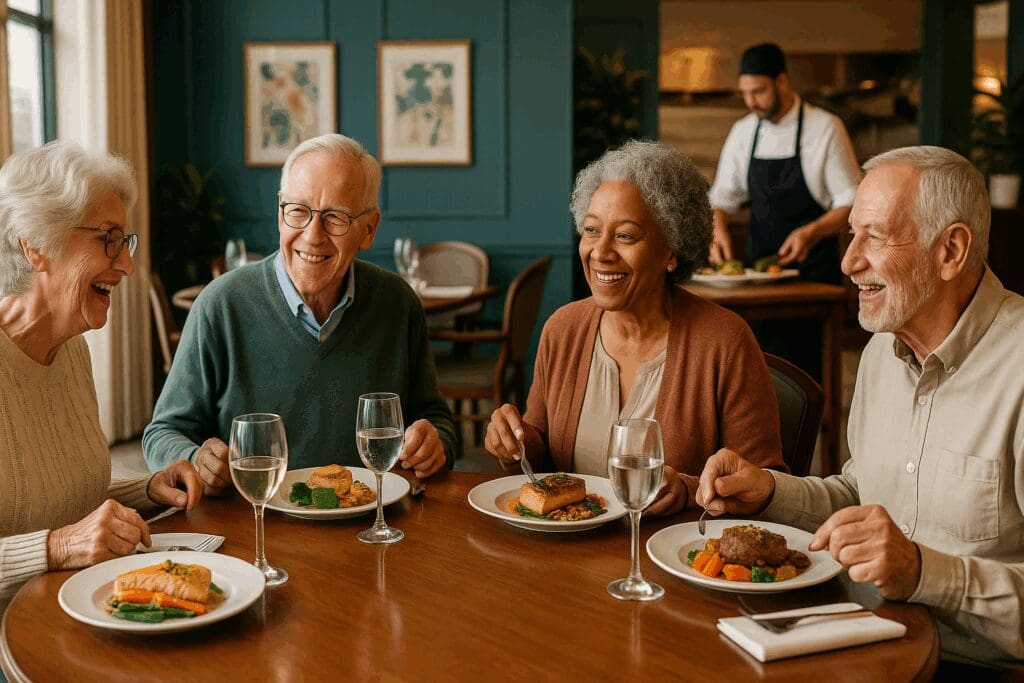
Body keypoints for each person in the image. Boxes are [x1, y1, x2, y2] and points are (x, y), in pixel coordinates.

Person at [697, 146, 1024, 670]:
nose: (849, 261)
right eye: (852, 234)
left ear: (951, 251)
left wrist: (923, 573)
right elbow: (862, 493)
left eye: (875, 236)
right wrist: (768, 493)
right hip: (865, 640)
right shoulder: (881, 351)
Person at [484, 141, 786, 515]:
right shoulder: (563, 329)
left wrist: (687, 490)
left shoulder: (725, 341)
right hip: (564, 559)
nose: (600, 252)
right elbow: (541, 449)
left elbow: (760, 487)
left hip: (670, 559)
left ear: (671, 251)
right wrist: (514, 442)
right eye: (592, 230)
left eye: (625, 235)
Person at [143, 134, 457, 494]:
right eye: (298, 211)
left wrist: (437, 446)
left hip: (370, 526)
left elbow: (438, 422)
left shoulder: (398, 304)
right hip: (255, 528)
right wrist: (195, 456)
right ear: (280, 214)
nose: (312, 235)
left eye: (335, 217)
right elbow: (161, 434)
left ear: (369, 229)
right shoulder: (220, 305)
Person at [0, 141, 203, 615]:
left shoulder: (73, 352)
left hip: (73, 611)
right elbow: (55, 531)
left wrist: (148, 488)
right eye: (107, 239)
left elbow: (57, 496)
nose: (128, 265)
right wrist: (56, 549)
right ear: (36, 245)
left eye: (124, 242)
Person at [708, 42, 861, 379]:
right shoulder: (744, 131)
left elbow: (851, 201)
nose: (751, 102)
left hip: (813, 283)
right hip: (758, 285)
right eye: (745, 93)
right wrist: (716, 229)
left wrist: (812, 231)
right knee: (758, 377)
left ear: (781, 81)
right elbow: (720, 199)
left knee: (808, 377)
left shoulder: (825, 128)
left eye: (759, 91)